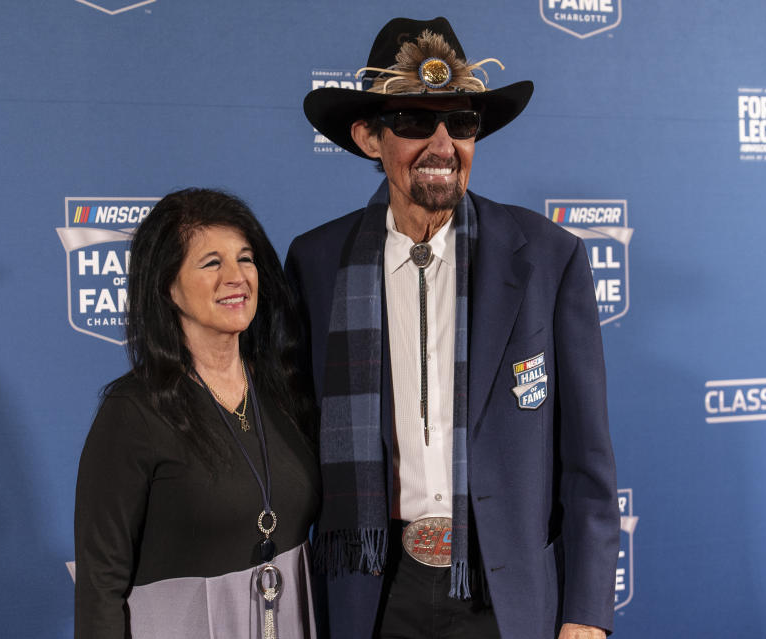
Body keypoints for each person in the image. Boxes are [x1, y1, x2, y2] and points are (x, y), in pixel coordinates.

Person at [286, 17, 619, 639]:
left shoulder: (549, 257)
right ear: (368, 137)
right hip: (374, 591)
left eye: (461, 124)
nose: (443, 145)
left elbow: (589, 465)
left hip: (506, 593)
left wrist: (585, 616)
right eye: (415, 121)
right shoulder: (316, 262)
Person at [74, 188, 320, 638]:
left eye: (245, 259)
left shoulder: (285, 388)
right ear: (168, 287)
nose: (236, 278)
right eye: (211, 263)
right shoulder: (132, 411)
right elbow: (100, 583)